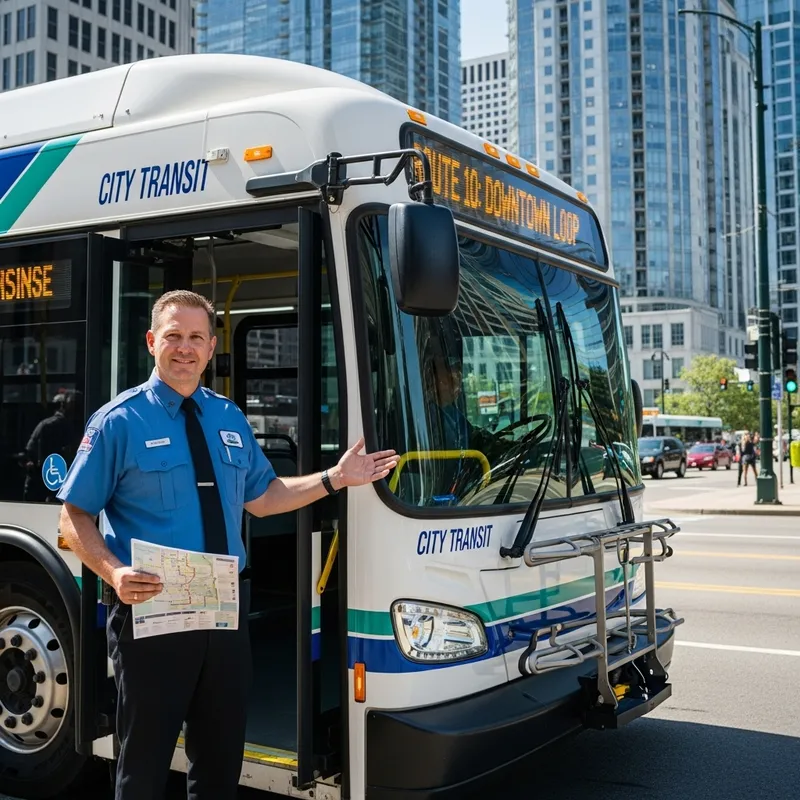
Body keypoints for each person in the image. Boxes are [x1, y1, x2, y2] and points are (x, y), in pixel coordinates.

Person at [56, 290, 397, 800]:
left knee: (220, 759)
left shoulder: (228, 417)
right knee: (143, 761)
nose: (184, 348)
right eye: (173, 336)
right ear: (152, 342)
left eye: (196, 337)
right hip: (152, 611)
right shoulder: (118, 422)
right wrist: (113, 573)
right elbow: (73, 513)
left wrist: (335, 478)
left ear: (212, 347)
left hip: (223, 610)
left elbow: (263, 496)